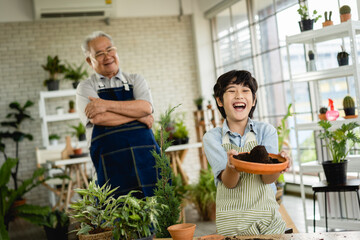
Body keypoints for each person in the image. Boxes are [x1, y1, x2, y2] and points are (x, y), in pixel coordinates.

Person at [203, 70, 290, 236]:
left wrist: (280, 166)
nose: (238, 95)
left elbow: (267, 178)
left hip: (268, 220)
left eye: (245, 90)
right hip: (233, 223)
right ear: (220, 101)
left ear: (254, 100)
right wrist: (232, 166)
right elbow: (229, 183)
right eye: (231, 91)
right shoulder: (212, 138)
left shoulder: (266, 131)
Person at [76, 31, 159, 198]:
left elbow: (146, 108)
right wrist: (138, 115)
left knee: (155, 213)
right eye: (99, 53)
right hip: (110, 167)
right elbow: (99, 118)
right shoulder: (85, 87)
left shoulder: (136, 80)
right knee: (114, 218)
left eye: (110, 49)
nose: (107, 56)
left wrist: (104, 104)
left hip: (146, 162)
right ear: (89, 60)